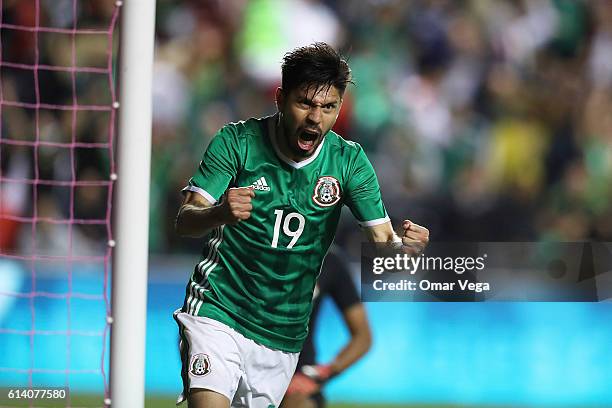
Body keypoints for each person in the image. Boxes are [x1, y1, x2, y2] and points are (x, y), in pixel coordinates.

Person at [174, 42, 429, 408]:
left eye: (328, 107)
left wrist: (408, 250)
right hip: (219, 310)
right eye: (305, 103)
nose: (316, 119)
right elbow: (185, 220)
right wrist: (219, 213)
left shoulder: (349, 163)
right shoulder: (237, 143)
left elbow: (384, 244)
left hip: (282, 336)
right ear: (280, 98)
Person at [281, 246, 371, 408]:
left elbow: (363, 337)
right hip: (246, 366)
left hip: (297, 379)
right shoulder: (252, 245)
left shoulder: (329, 260)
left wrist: (319, 375)